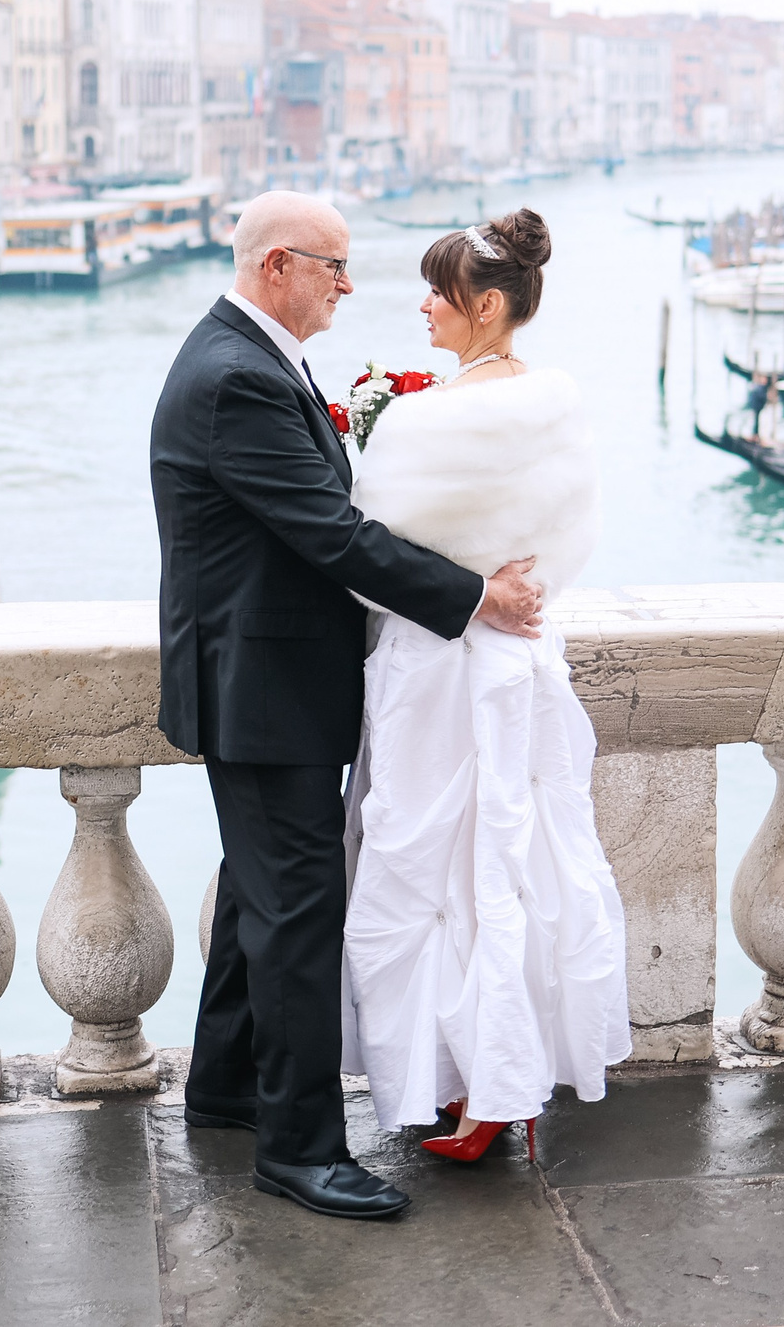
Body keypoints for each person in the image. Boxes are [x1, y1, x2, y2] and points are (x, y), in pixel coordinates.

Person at [150, 189, 545, 1223]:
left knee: (256, 895)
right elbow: (329, 534)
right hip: (261, 690)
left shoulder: (244, 357)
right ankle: (298, 1148)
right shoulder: (237, 376)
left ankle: (226, 1087)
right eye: (332, 265)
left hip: (255, 681)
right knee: (295, 917)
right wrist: (474, 598)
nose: (347, 283)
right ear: (277, 266)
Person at [341, 209, 629, 1167]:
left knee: (435, 872)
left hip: (440, 667)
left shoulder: (429, 418)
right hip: (523, 663)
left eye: (438, 290)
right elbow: (570, 542)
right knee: (511, 867)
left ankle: (475, 1086)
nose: (423, 304)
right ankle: (501, 1083)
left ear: (487, 304)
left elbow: (365, 555)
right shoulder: (558, 405)